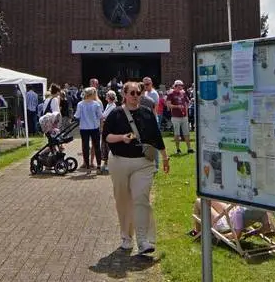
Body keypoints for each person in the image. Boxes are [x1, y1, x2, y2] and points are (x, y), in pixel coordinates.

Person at [103, 81, 168, 256]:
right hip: (119, 162)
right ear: (124, 94)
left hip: (143, 163)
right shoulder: (115, 114)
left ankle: (143, 240)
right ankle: (126, 237)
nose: (135, 95)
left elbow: (156, 136)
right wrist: (121, 137)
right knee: (123, 201)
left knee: (141, 199)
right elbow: (106, 136)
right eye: (131, 93)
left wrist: (165, 157)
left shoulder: (147, 113)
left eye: (138, 92)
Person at [75, 87, 105, 171]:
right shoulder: (96, 104)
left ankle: (87, 166)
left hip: (84, 128)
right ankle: (98, 165)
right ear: (91, 94)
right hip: (94, 127)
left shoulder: (80, 104)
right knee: (96, 146)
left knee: (85, 146)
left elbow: (77, 115)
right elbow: (100, 116)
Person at [165, 80, 191, 155]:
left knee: (186, 133)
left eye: (182, 85)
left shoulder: (183, 93)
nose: (181, 87)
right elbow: (168, 105)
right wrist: (177, 106)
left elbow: (187, 103)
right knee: (177, 133)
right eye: (180, 85)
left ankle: (189, 149)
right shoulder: (171, 94)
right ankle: (178, 149)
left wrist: (186, 112)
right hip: (175, 117)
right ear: (175, 86)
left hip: (184, 116)